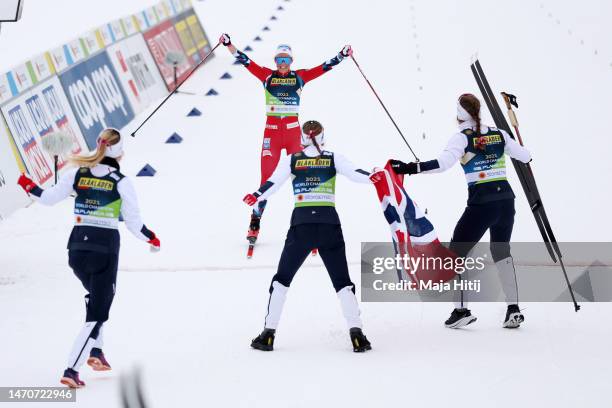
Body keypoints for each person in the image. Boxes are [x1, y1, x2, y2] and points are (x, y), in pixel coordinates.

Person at [17, 128, 160, 388]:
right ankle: (72, 368)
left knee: (96, 299)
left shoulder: (77, 174)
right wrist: (151, 238)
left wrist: (28, 185)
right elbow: (133, 223)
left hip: (76, 250)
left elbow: (47, 198)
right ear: (120, 153)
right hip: (104, 252)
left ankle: (96, 352)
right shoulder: (121, 181)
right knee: (98, 312)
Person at [390, 94, 532, 329]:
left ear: (459, 115)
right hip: (507, 202)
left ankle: (461, 310)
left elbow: (442, 164)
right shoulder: (499, 133)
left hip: (482, 204)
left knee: (456, 253)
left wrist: (409, 168)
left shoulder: (462, 138)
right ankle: (513, 309)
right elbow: (525, 156)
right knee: (502, 252)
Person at [243, 120, 383, 352]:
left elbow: (272, 183)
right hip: (329, 225)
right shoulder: (333, 157)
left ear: (302, 138)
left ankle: (268, 334)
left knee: (281, 281)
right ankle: (357, 334)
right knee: (342, 284)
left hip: (302, 226)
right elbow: (356, 173)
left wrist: (256, 195)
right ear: (323, 137)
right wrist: (373, 177)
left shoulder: (293, 159)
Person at [220, 33, 353, 244]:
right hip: (271, 135)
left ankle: (312, 228)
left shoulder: (299, 77)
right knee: (266, 182)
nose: (282, 63)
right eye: (279, 60)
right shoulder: (266, 76)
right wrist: (228, 44)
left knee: (304, 180)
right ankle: (255, 223)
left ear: (291, 61)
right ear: (275, 61)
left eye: (286, 60)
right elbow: (245, 60)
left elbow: (323, 68)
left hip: (293, 135)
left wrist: (341, 55)